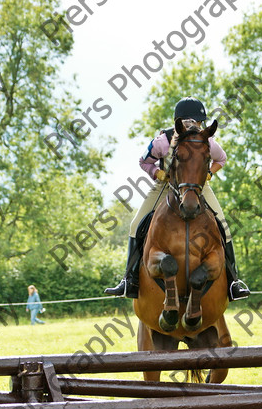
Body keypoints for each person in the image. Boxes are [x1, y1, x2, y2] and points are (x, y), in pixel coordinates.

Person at [105, 96, 250, 301]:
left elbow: (222, 159)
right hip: (164, 186)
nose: (194, 126)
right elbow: (144, 161)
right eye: (189, 122)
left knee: (223, 225)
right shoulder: (162, 141)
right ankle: (129, 279)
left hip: (198, 187)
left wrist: (209, 174)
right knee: (136, 224)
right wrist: (157, 173)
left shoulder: (207, 140)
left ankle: (233, 281)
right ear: (179, 122)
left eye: (197, 122)